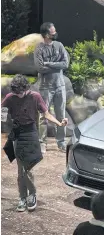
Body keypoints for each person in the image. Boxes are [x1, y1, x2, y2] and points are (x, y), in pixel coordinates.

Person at [1, 75, 68, 212]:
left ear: (26, 88)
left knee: (29, 168)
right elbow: (2, 111)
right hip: (18, 133)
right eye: (16, 93)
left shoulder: (35, 96)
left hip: (31, 132)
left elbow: (46, 114)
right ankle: (22, 197)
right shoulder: (10, 97)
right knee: (21, 170)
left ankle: (32, 195)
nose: (19, 95)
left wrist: (59, 123)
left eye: (21, 92)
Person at [34, 22, 69, 153]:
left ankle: (61, 142)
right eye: (53, 33)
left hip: (60, 85)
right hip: (45, 87)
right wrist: (56, 64)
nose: (55, 34)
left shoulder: (59, 45)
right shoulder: (39, 49)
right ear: (46, 34)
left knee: (61, 115)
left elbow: (65, 64)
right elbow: (39, 68)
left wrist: (49, 63)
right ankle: (42, 143)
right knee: (44, 115)